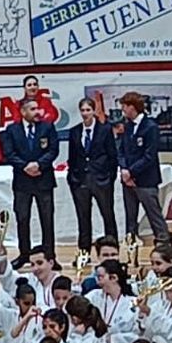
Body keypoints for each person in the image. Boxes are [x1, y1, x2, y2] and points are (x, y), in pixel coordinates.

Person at [3, 97, 59, 262]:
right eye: (33, 109)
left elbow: (53, 150)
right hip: (22, 181)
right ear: (23, 112)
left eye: (37, 108)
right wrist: (25, 166)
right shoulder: (12, 130)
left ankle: (50, 255)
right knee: (22, 218)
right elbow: (9, 153)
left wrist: (38, 165)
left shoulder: (47, 127)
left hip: (44, 180)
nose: (37, 112)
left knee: (47, 218)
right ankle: (24, 254)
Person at [67, 97, 119, 250]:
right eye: (82, 110)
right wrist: (73, 177)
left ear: (94, 111)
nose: (85, 113)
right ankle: (84, 251)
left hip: (101, 178)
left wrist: (109, 178)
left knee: (107, 215)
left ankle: (112, 248)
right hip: (81, 179)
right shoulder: (75, 131)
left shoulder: (105, 129)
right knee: (83, 217)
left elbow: (112, 155)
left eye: (88, 110)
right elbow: (73, 157)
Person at [118, 92, 168, 243]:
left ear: (132, 107)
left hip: (145, 180)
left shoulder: (150, 127)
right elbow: (121, 151)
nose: (123, 111)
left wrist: (131, 171)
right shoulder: (127, 126)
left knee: (155, 217)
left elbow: (149, 156)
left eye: (124, 107)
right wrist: (124, 169)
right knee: (130, 218)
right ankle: (130, 248)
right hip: (128, 181)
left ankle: (164, 244)